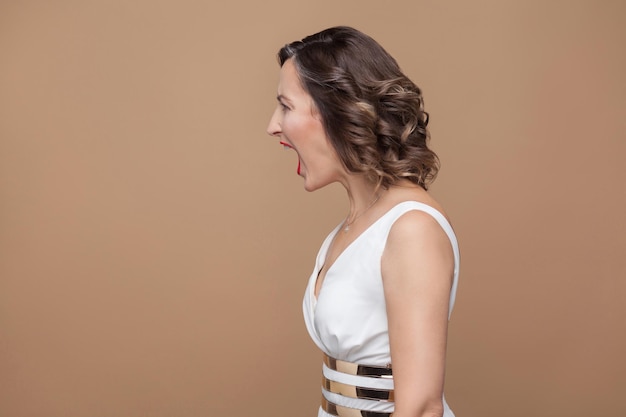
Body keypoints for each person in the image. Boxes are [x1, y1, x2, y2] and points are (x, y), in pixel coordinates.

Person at [266, 26, 460, 417]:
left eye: (286, 106)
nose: (272, 125)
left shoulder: (411, 229)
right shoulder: (355, 226)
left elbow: (421, 407)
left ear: (336, 111)